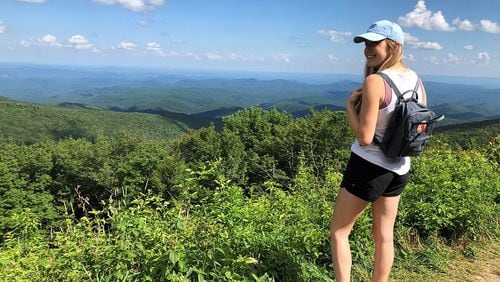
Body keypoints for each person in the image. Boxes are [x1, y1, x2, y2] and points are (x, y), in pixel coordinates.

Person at [330, 20, 427, 282]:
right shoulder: (416, 80)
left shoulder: (375, 81)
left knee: (339, 231)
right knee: (384, 235)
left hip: (368, 167)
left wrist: (350, 107)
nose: (368, 49)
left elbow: (364, 137)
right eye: (366, 43)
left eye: (374, 43)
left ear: (393, 46)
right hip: (400, 168)